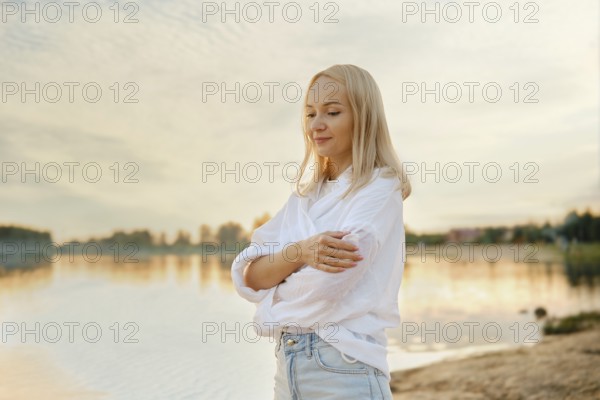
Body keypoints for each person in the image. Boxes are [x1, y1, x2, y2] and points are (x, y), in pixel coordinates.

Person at [230, 64, 411, 399]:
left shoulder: (379, 188)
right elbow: (249, 274)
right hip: (287, 368)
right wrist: (301, 252)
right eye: (311, 113)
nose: (317, 124)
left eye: (332, 112)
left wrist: (276, 286)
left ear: (363, 118)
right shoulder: (304, 198)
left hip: (344, 369)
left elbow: (327, 285)